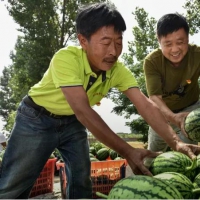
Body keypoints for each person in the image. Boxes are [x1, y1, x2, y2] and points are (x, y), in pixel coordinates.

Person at [0, 3, 200, 199]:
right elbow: (84, 112)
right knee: (15, 183)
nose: (113, 51)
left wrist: (176, 143)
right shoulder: (66, 59)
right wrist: (127, 150)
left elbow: (145, 104)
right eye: (105, 42)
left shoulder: (117, 70)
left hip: (71, 122)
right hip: (36, 119)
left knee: (82, 179)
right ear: (83, 40)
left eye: (119, 42)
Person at [143, 13, 200, 156]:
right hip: (161, 111)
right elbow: (154, 98)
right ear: (159, 40)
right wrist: (173, 118)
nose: (175, 50)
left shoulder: (197, 54)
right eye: (168, 44)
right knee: (153, 154)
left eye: (180, 42)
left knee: (186, 155)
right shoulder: (152, 62)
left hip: (190, 109)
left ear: (188, 38)